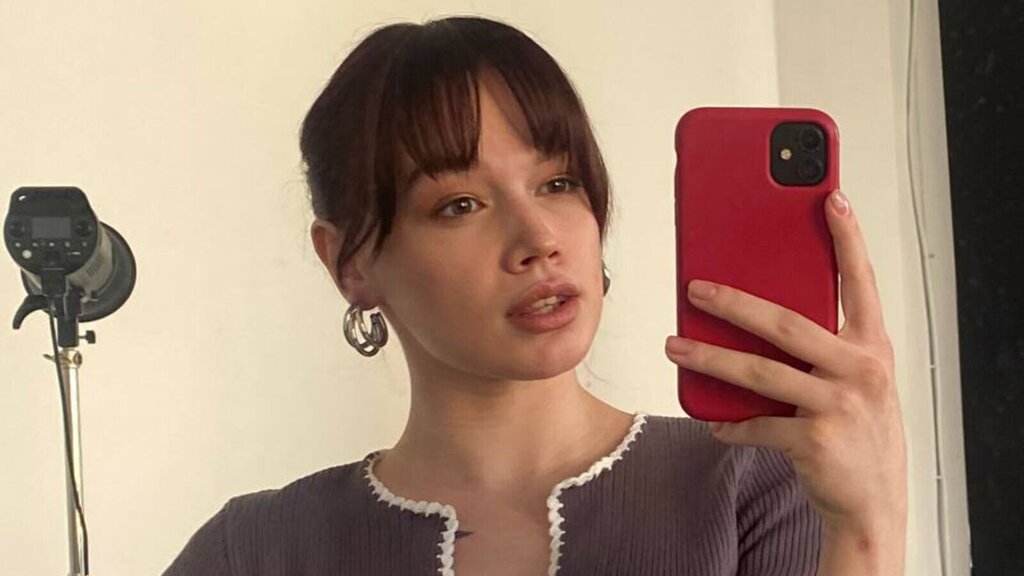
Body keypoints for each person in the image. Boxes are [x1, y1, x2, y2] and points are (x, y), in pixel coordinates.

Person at [163, 15, 907, 576]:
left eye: (558, 183)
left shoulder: (762, 488)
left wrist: (870, 528)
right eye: (458, 204)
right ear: (350, 261)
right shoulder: (252, 551)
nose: (539, 237)